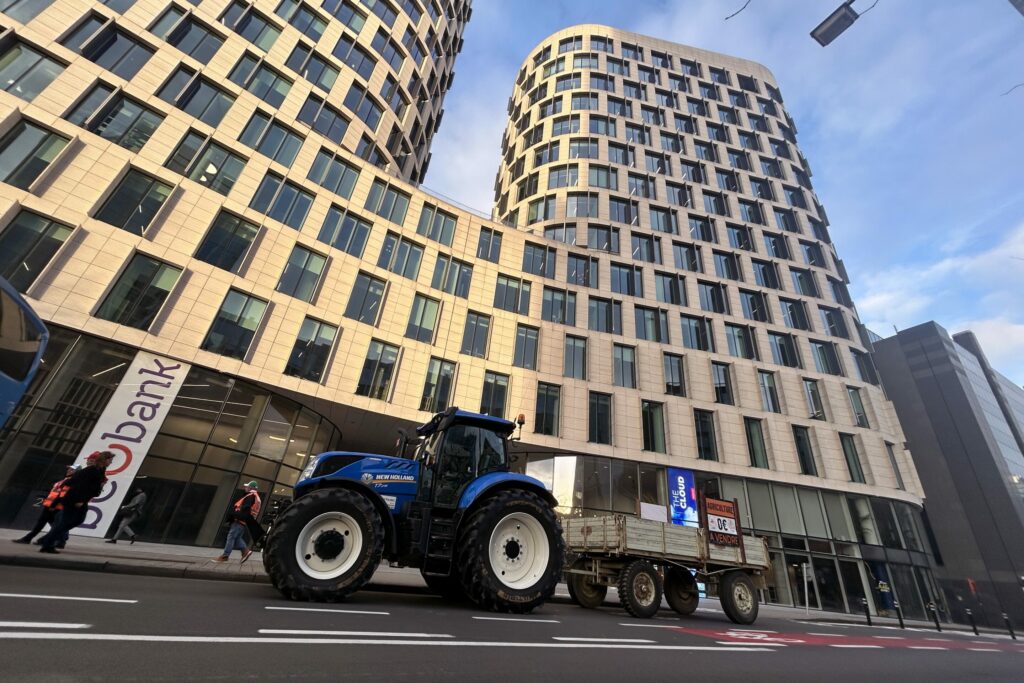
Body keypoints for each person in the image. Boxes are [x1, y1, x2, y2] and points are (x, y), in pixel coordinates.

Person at [37, 451, 113, 554]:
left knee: (76, 521)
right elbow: (81, 485)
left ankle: (47, 539)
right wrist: (80, 500)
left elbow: (86, 486)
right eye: (110, 460)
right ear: (105, 460)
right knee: (65, 522)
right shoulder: (92, 470)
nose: (111, 462)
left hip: (81, 500)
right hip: (75, 500)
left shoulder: (99, 471)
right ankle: (47, 544)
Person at [11, 466, 77, 545]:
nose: (69, 470)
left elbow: (62, 495)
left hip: (55, 507)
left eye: (72, 470)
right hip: (51, 505)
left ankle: (29, 539)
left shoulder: (70, 482)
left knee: (48, 524)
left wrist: (53, 505)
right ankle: (59, 541)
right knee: (53, 524)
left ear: (76, 472)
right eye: (69, 469)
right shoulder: (64, 480)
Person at [213, 481, 264, 564]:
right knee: (236, 538)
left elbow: (245, 509)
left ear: (251, 488)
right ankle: (245, 551)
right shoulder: (255, 497)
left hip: (240, 520)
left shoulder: (250, 496)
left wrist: (236, 516)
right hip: (244, 521)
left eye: (247, 486)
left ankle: (225, 556)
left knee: (231, 537)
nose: (245, 488)